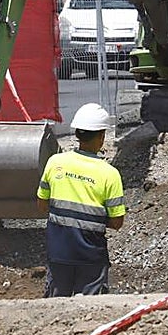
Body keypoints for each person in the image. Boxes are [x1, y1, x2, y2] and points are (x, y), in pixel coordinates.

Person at [36, 102, 126, 296]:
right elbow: (117, 222)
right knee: (91, 310)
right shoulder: (110, 174)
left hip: (59, 253)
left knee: (55, 308)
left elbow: (42, 205)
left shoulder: (55, 162)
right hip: (91, 257)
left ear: (77, 134)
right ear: (101, 137)